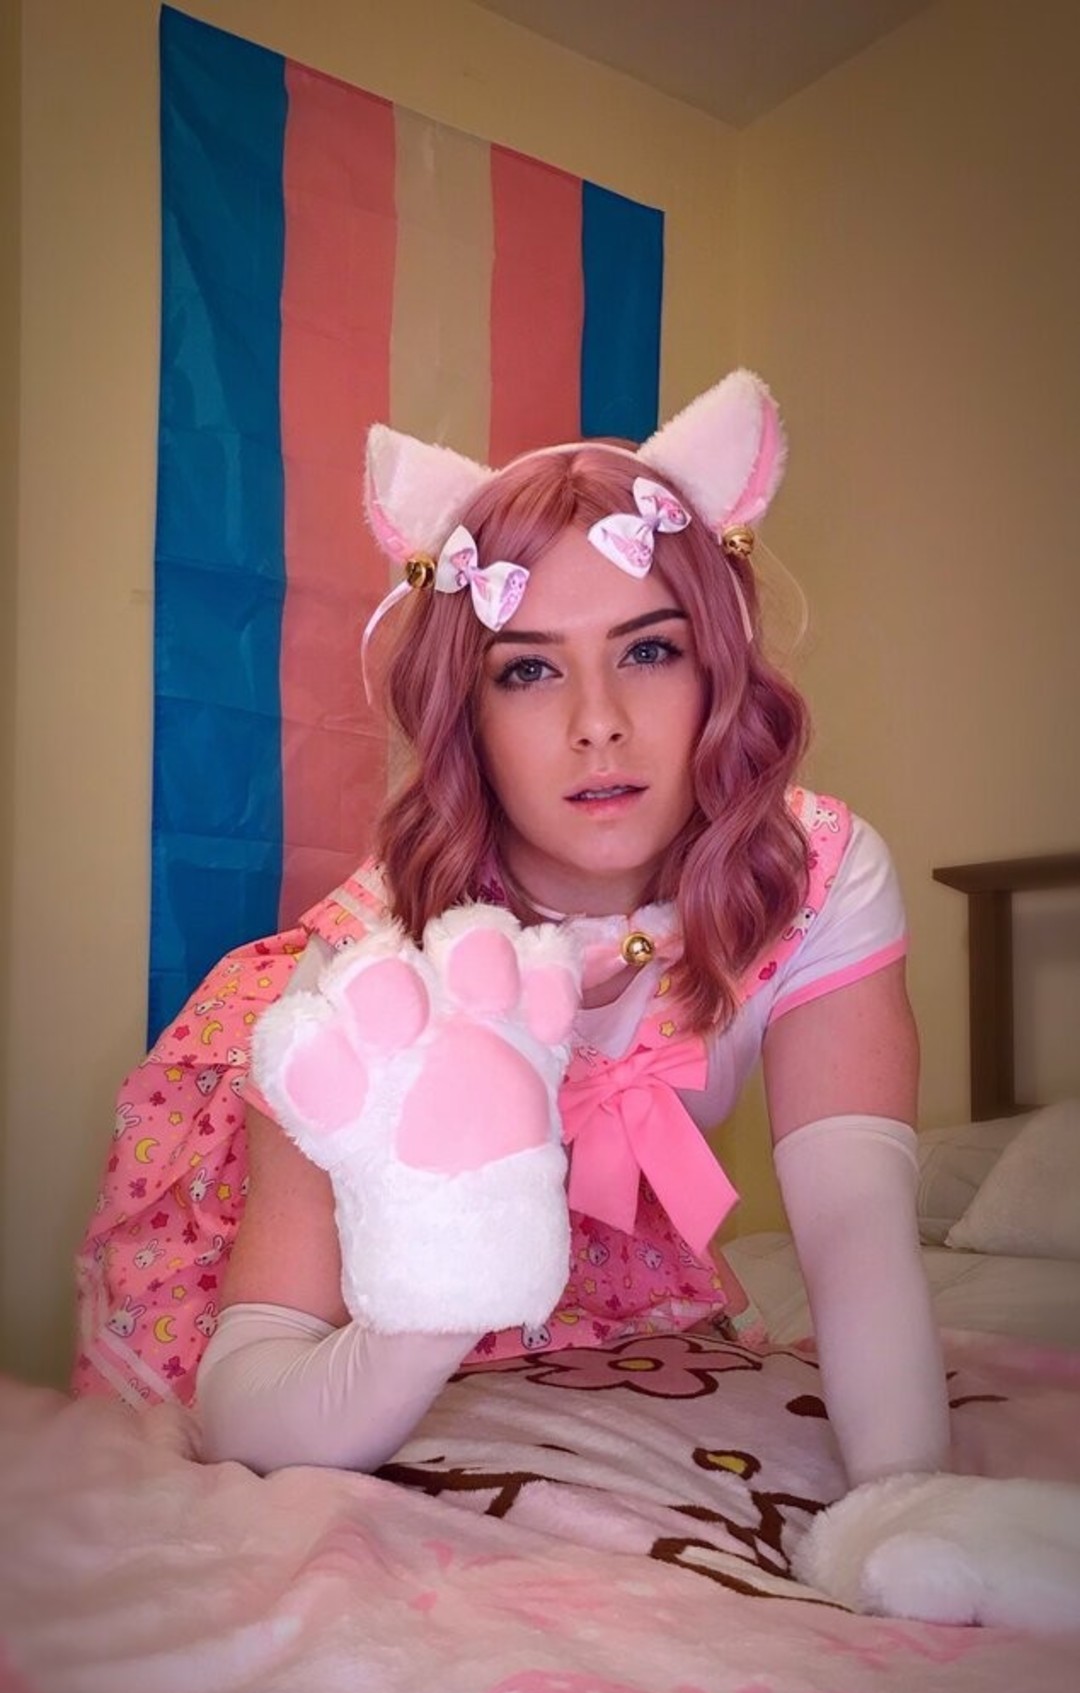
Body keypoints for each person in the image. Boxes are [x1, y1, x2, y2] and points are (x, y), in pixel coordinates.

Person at [73, 369, 951, 1552]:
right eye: (529, 668)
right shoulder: (371, 971)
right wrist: (444, 1268)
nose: (598, 721)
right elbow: (248, 1401)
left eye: (650, 650)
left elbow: (855, 1231)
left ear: (720, 669)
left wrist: (906, 1508)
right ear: (466, 715)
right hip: (334, 1337)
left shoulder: (817, 877)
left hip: (596, 1299)